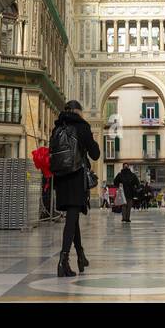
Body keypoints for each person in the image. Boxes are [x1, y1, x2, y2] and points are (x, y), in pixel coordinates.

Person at [50, 99, 100, 277]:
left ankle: (80, 256)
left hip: (61, 179)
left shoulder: (57, 128)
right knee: (72, 219)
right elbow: (95, 154)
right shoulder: (82, 127)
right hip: (76, 177)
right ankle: (63, 260)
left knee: (73, 217)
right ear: (78, 112)